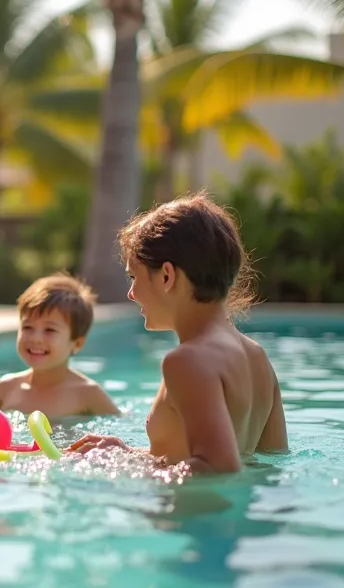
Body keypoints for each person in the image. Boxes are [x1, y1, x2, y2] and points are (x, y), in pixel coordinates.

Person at [68, 191, 289, 475]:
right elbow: (271, 462)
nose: (131, 293)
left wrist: (130, 475)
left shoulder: (187, 360)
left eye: (134, 277)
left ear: (166, 276)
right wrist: (128, 455)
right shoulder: (257, 357)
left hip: (189, 518)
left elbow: (217, 467)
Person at [0, 273, 120, 418]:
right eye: (27, 327)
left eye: (50, 330)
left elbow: (120, 432)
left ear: (77, 343)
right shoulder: (6, 387)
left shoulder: (87, 393)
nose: (36, 338)